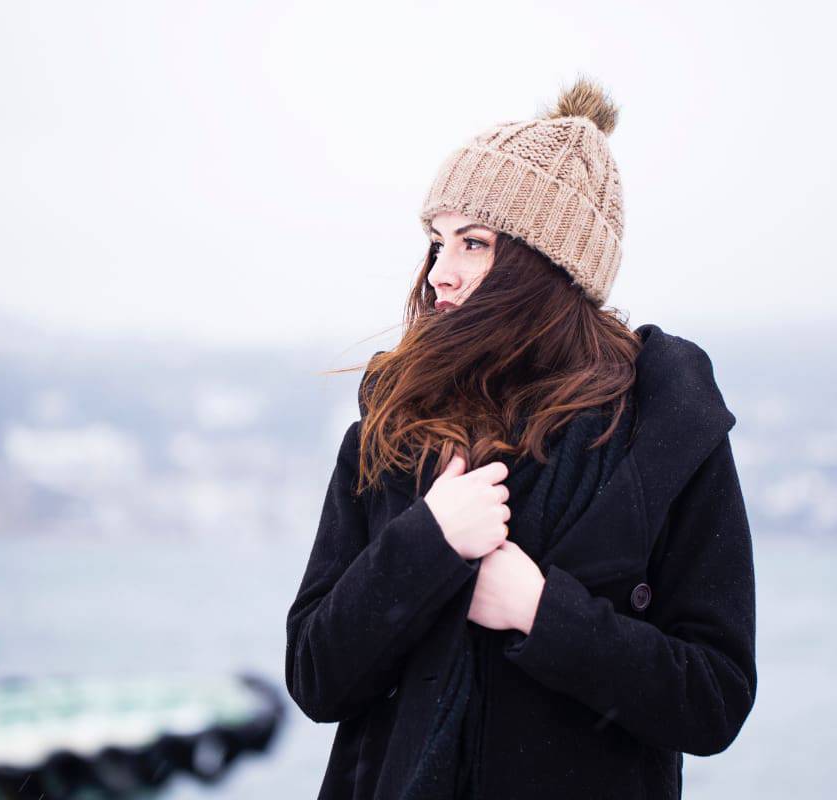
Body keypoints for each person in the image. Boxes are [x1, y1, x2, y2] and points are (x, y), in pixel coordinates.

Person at [285, 75, 757, 800]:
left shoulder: (663, 437)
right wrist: (428, 544)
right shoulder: (391, 432)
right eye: (436, 243)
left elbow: (713, 699)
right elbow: (316, 677)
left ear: (547, 262)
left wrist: (542, 612)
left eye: (473, 243)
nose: (439, 275)